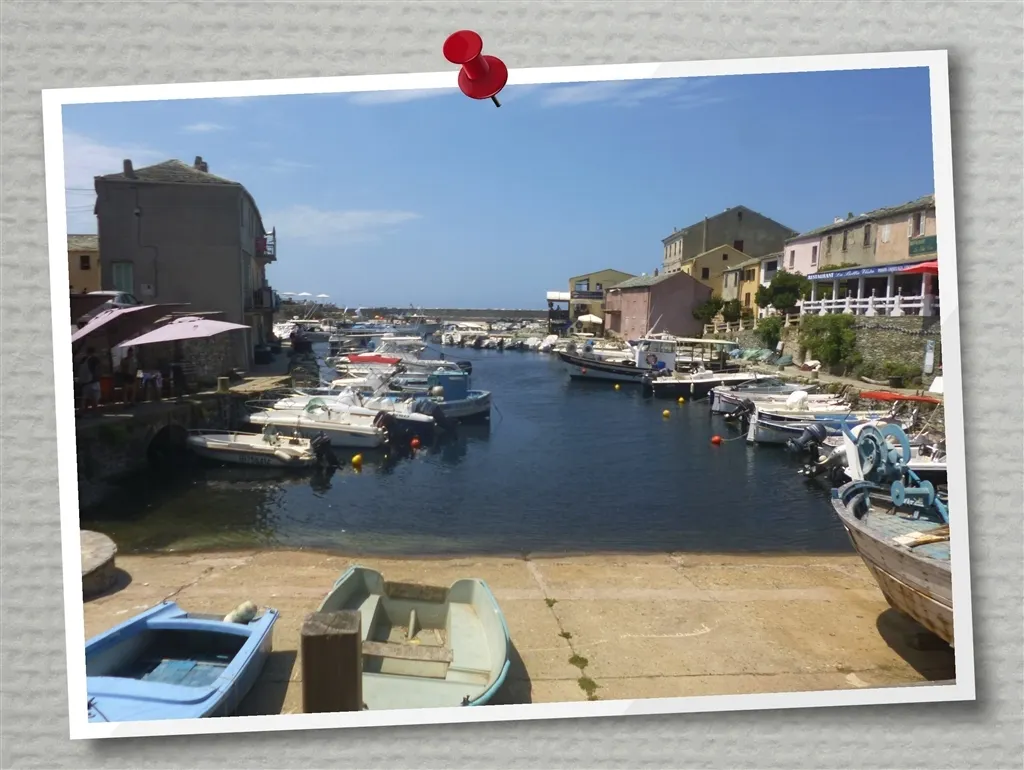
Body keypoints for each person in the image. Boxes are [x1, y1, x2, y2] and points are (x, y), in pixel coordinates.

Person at [77, 346, 101, 411]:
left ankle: (83, 410)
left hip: (84, 382)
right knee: (95, 398)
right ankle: (94, 411)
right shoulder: (95, 359)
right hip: (94, 381)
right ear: (94, 352)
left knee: (84, 398)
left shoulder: (83, 359)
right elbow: (97, 368)